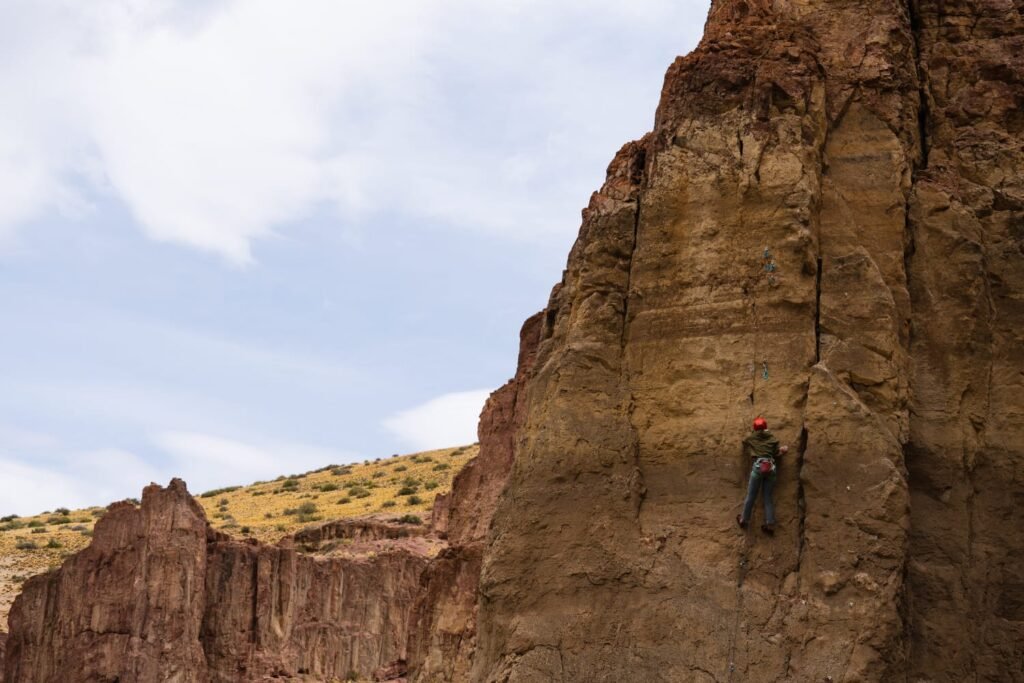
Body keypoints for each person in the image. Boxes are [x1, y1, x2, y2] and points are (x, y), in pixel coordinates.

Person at [736, 417, 788, 534]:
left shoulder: (752, 438)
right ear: (766, 427)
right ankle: (770, 525)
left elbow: (744, 442)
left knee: (751, 496)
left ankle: (743, 520)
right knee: (768, 498)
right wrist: (782, 450)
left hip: (758, 469)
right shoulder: (773, 439)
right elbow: (776, 453)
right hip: (771, 469)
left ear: (755, 428)